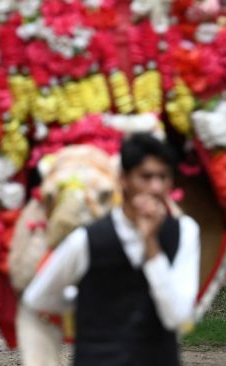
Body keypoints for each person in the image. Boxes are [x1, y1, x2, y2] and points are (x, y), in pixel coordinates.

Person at [22, 133, 200, 366]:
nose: (155, 187)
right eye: (145, 177)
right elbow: (39, 297)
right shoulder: (87, 240)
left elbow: (177, 317)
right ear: (124, 179)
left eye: (163, 177)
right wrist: (81, 299)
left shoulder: (185, 231)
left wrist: (151, 246)